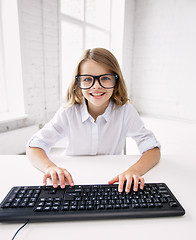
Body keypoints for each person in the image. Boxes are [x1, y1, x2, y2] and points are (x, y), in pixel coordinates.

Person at [26, 48, 161, 193]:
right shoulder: (68, 112)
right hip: (74, 181)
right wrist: (50, 167)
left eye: (105, 78)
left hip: (111, 180)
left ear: (116, 80)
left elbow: (152, 149)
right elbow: (35, 145)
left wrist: (134, 171)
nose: (96, 86)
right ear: (78, 83)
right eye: (87, 79)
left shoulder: (125, 111)